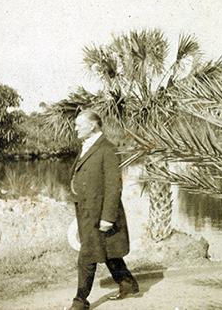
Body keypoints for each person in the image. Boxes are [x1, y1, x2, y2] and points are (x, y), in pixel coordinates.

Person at [68, 109, 139, 310]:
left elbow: (114, 185)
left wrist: (108, 217)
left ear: (92, 125)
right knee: (108, 250)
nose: (75, 129)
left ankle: (80, 301)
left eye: (78, 125)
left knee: (87, 255)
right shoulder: (87, 147)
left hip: (100, 213)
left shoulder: (108, 148)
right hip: (87, 211)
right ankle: (128, 284)